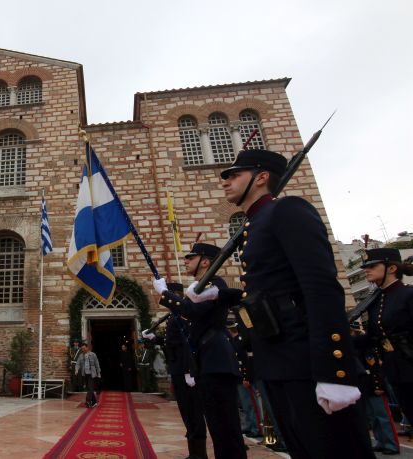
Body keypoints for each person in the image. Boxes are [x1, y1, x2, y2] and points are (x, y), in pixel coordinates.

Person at [211, 148, 374, 458]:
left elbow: (321, 288)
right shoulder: (253, 226)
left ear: (260, 178)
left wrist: (334, 372)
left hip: (307, 363)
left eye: (234, 175)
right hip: (280, 362)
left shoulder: (287, 211)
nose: (226, 182)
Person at [152, 243, 247, 459]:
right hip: (206, 360)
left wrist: (165, 293)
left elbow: (192, 311)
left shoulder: (215, 285)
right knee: (218, 427)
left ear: (205, 261)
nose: (186, 261)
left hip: (217, 360)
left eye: (190, 257)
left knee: (226, 429)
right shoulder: (201, 285)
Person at [144, 283, 208, 459]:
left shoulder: (183, 316)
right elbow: (173, 343)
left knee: (193, 412)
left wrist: (189, 369)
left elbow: (189, 343)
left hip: (185, 370)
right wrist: (155, 338)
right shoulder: (175, 315)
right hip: (178, 368)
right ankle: (194, 452)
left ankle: (199, 455)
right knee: (187, 412)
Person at [358, 248, 413, 438]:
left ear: (391, 268)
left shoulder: (408, 294)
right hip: (395, 368)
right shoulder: (376, 301)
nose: (367, 270)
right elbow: (372, 337)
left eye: (372, 266)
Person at [351, 322, 399, 455]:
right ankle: (381, 441)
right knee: (373, 417)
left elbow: (374, 369)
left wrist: (378, 386)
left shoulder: (367, 350)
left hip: (374, 387)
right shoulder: (355, 348)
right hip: (364, 387)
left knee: (383, 416)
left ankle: (391, 444)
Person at [74, 342, 101, 408]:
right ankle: (94, 402)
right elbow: (77, 364)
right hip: (85, 374)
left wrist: (99, 373)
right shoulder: (81, 355)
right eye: (82, 348)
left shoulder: (93, 355)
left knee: (91, 388)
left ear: (87, 347)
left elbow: (97, 364)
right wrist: (76, 370)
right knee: (89, 388)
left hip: (92, 374)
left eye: (84, 348)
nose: (83, 349)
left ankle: (88, 401)